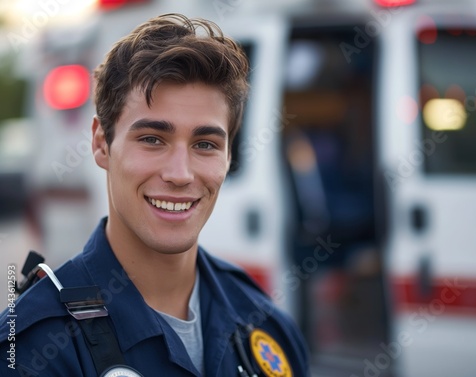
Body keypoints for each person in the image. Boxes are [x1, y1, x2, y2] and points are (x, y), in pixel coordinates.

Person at [0, 13, 309, 377]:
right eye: (152, 139)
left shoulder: (267, 324)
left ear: (228, 157)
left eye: (205, 144)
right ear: (102, 144)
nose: (180, 174)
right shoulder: (34, 350)